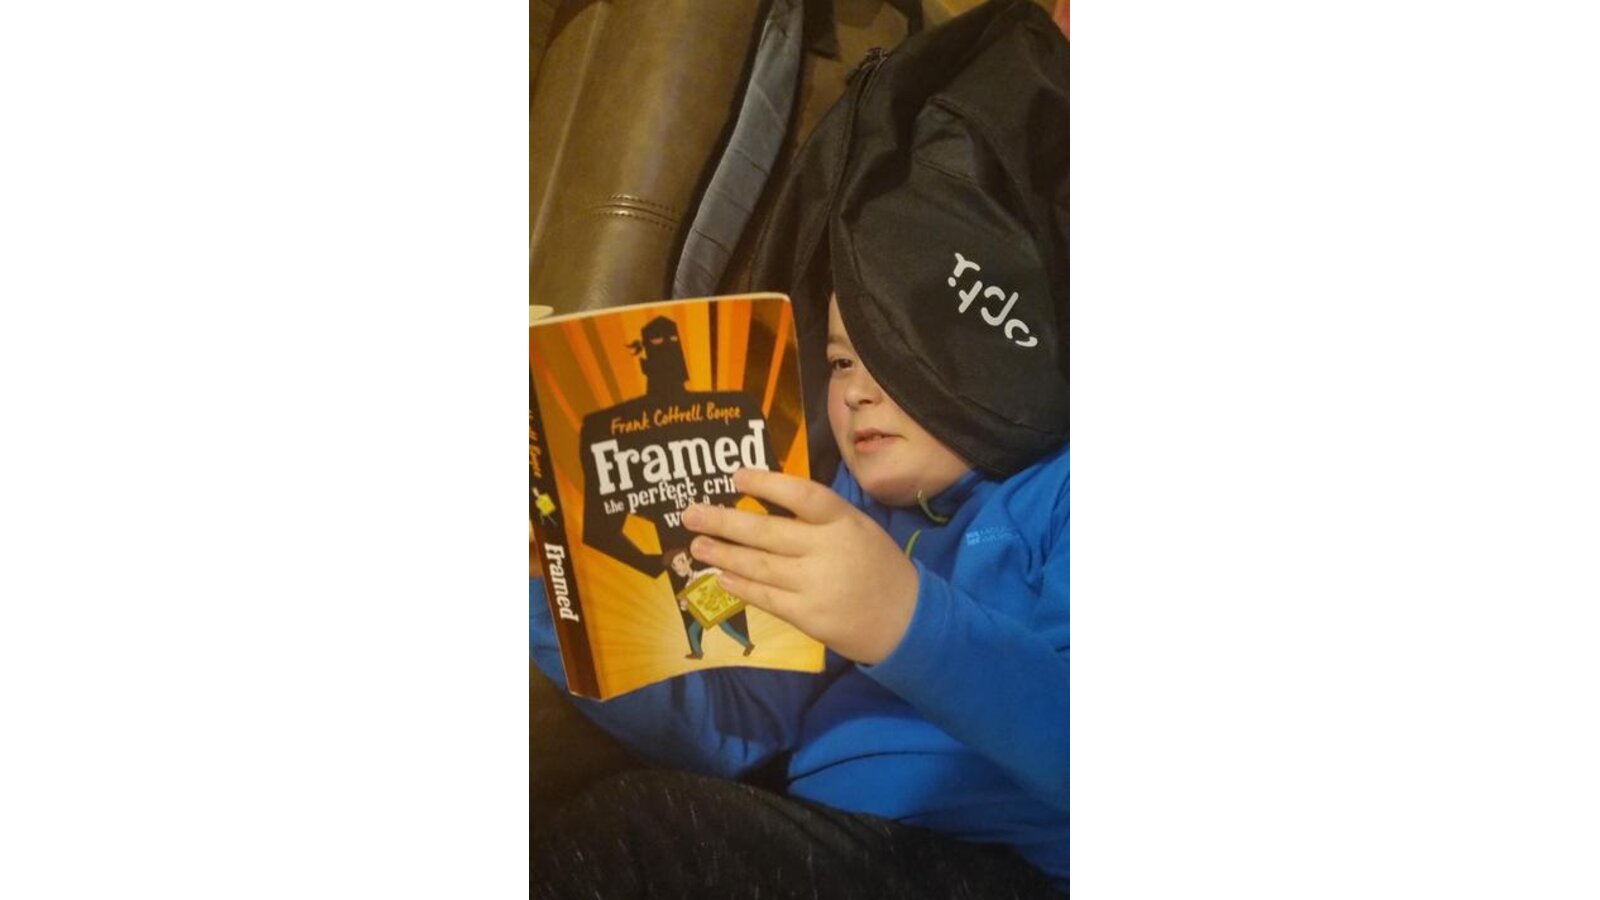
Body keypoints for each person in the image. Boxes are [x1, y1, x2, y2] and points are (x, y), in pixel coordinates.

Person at [532, 1, 1068, 896]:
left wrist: (904, 620)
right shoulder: (839, 506)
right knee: (609, 829)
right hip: (804, 837)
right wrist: (550, 592)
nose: (855, 388)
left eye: (896, 357)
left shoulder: (1061, 493)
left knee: (629, 837)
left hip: (1007, 861)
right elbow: (738, 736)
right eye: (841, 360)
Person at [664, 547, 756, 659]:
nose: (679, 567)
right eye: (674, 565)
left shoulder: (704, 573)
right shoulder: (687, 586)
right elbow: (687, 607)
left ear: (689, 561)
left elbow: (718, 573)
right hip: (704, 613)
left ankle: (747, 645)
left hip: (716, 608)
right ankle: (698, 652)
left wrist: (721, 582)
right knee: (694, 630)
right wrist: (684, 605)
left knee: (725, 628)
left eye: (681, 561)